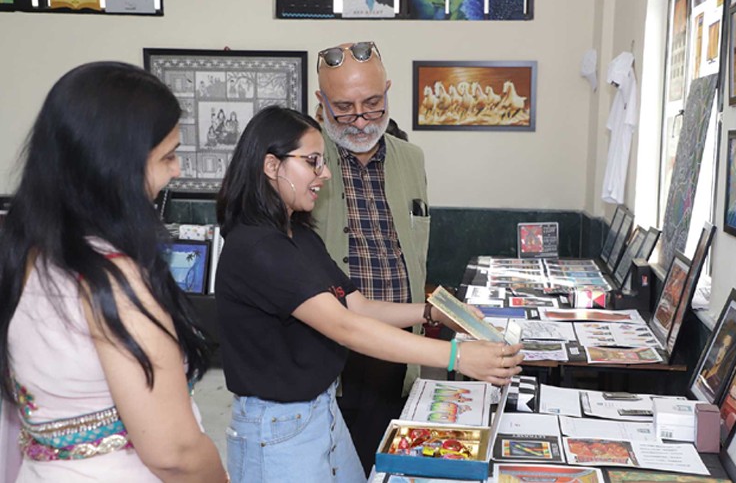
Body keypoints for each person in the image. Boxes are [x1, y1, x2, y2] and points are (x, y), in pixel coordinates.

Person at [214, 105, 523, 483]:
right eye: (313, 162)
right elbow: (346, 327)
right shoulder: (257, 246)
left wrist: (430, 313)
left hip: (320, 413)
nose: (325, 174)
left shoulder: (299, 235)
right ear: (271, 165)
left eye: (324, 162)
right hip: (278, 429)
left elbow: (356, 305)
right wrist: (458, 356)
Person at [0, 62, 227, 482]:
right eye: (168, 156)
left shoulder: (27, 253)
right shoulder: (113, 279)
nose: (177, 170)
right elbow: (174, 452)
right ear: (114, 169)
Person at [312, 40, 427, 472]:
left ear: (389, 92)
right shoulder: (305, 160)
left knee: (390, 463)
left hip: (398, 348)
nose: (360, 120)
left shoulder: (412, 160)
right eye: (344, 108)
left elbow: (416, 250)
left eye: (373, 104)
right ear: (321, 103)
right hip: (330, 353)